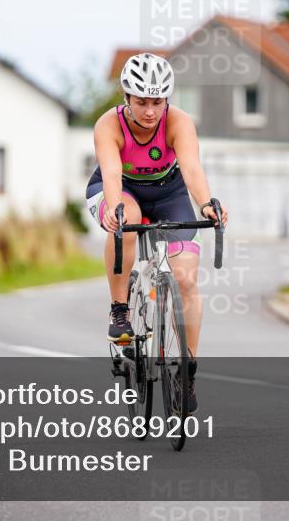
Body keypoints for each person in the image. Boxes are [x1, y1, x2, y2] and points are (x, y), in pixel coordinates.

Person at [85, 52, 228, 413]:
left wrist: (207, 203)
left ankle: (188, 369)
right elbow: (113, 173)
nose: (150, 111)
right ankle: (120, 310)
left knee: (186, 278)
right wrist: (115, 208)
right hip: (120, 189)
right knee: (127, 218)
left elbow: (192, 169)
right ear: (126, 99)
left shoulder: (178, 122)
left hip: (169, 192)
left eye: (158, 102)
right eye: (142, 102)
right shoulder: (108, 125)